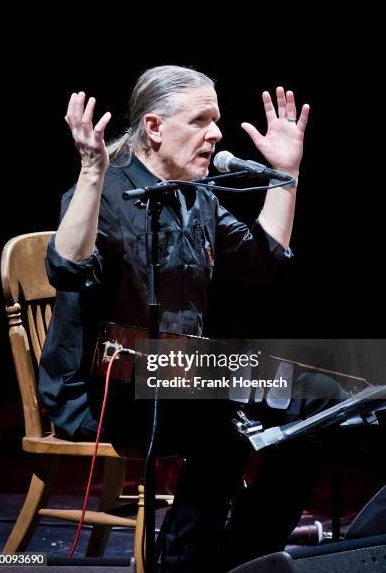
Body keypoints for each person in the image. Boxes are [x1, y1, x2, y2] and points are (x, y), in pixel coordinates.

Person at [38, 65, 342, 571]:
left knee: (319, 400)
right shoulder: (105, 192)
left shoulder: (196, 196)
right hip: (102, 391)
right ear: (155, 128)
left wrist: (286, 177)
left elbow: (262, 260)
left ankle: (240, 555)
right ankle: (184, 563)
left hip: (183, 380)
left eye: (217, 120)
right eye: (201, 120)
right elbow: (66, 268)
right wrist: (91, 173)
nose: (217, 133)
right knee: (219, 427)